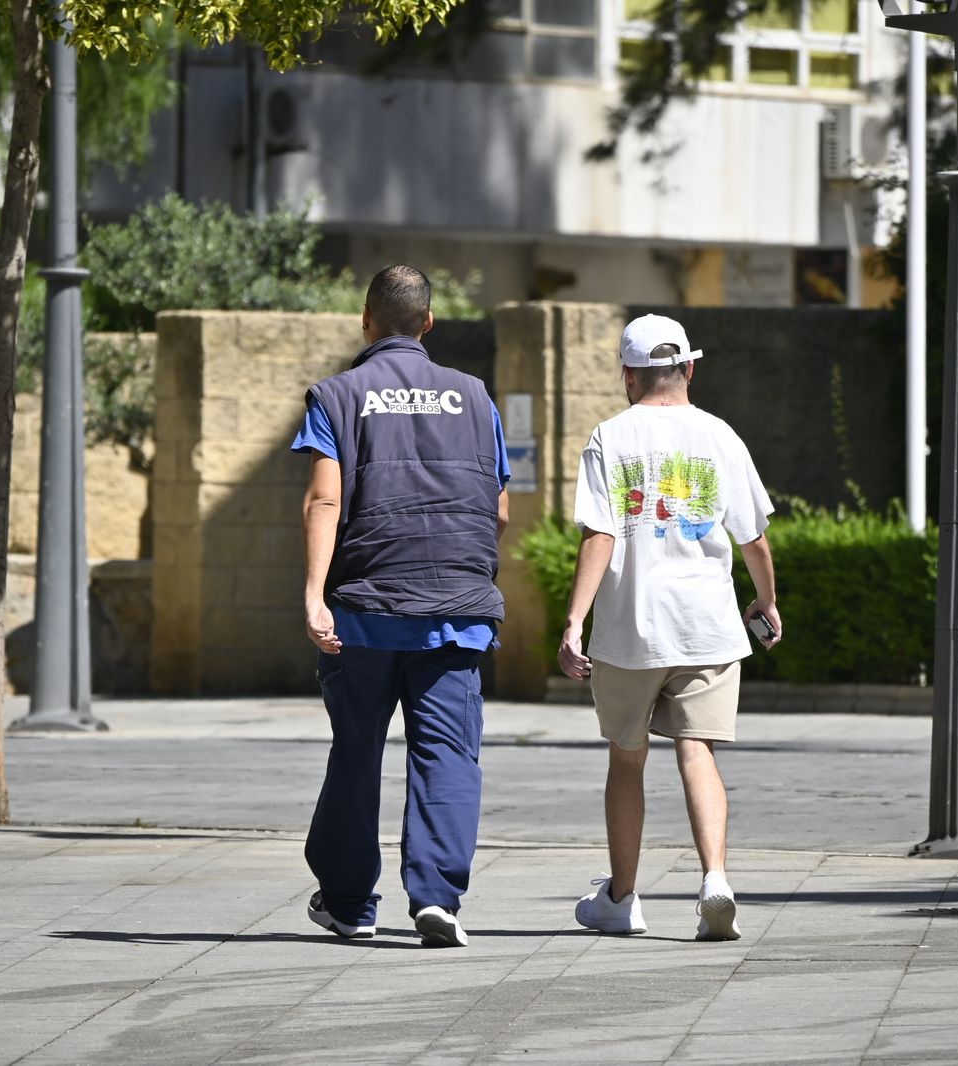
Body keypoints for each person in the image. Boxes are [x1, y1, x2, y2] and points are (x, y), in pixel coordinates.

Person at [294, 265, 510, 947]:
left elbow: (325, 499)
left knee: (356, 752)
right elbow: (498, 507)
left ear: (366, 319)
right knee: (447, 753)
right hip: (457, 607)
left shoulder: (337, 396)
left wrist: (312, 594)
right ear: (429, 322)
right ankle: (437, 897)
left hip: (366, 609)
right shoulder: (476, 398)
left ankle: (351, 903)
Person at [557, 314, 780, 940]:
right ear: (689, 367)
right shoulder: (721, 436)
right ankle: (715, 880)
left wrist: (574, 620)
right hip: (707, 625)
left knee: (627, 759)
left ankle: (622, 899)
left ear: (628, 375)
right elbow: (754, 538)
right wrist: (766, 600)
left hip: (631, 630)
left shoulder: (609, 436)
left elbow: (600, 533)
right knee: (697, 749)